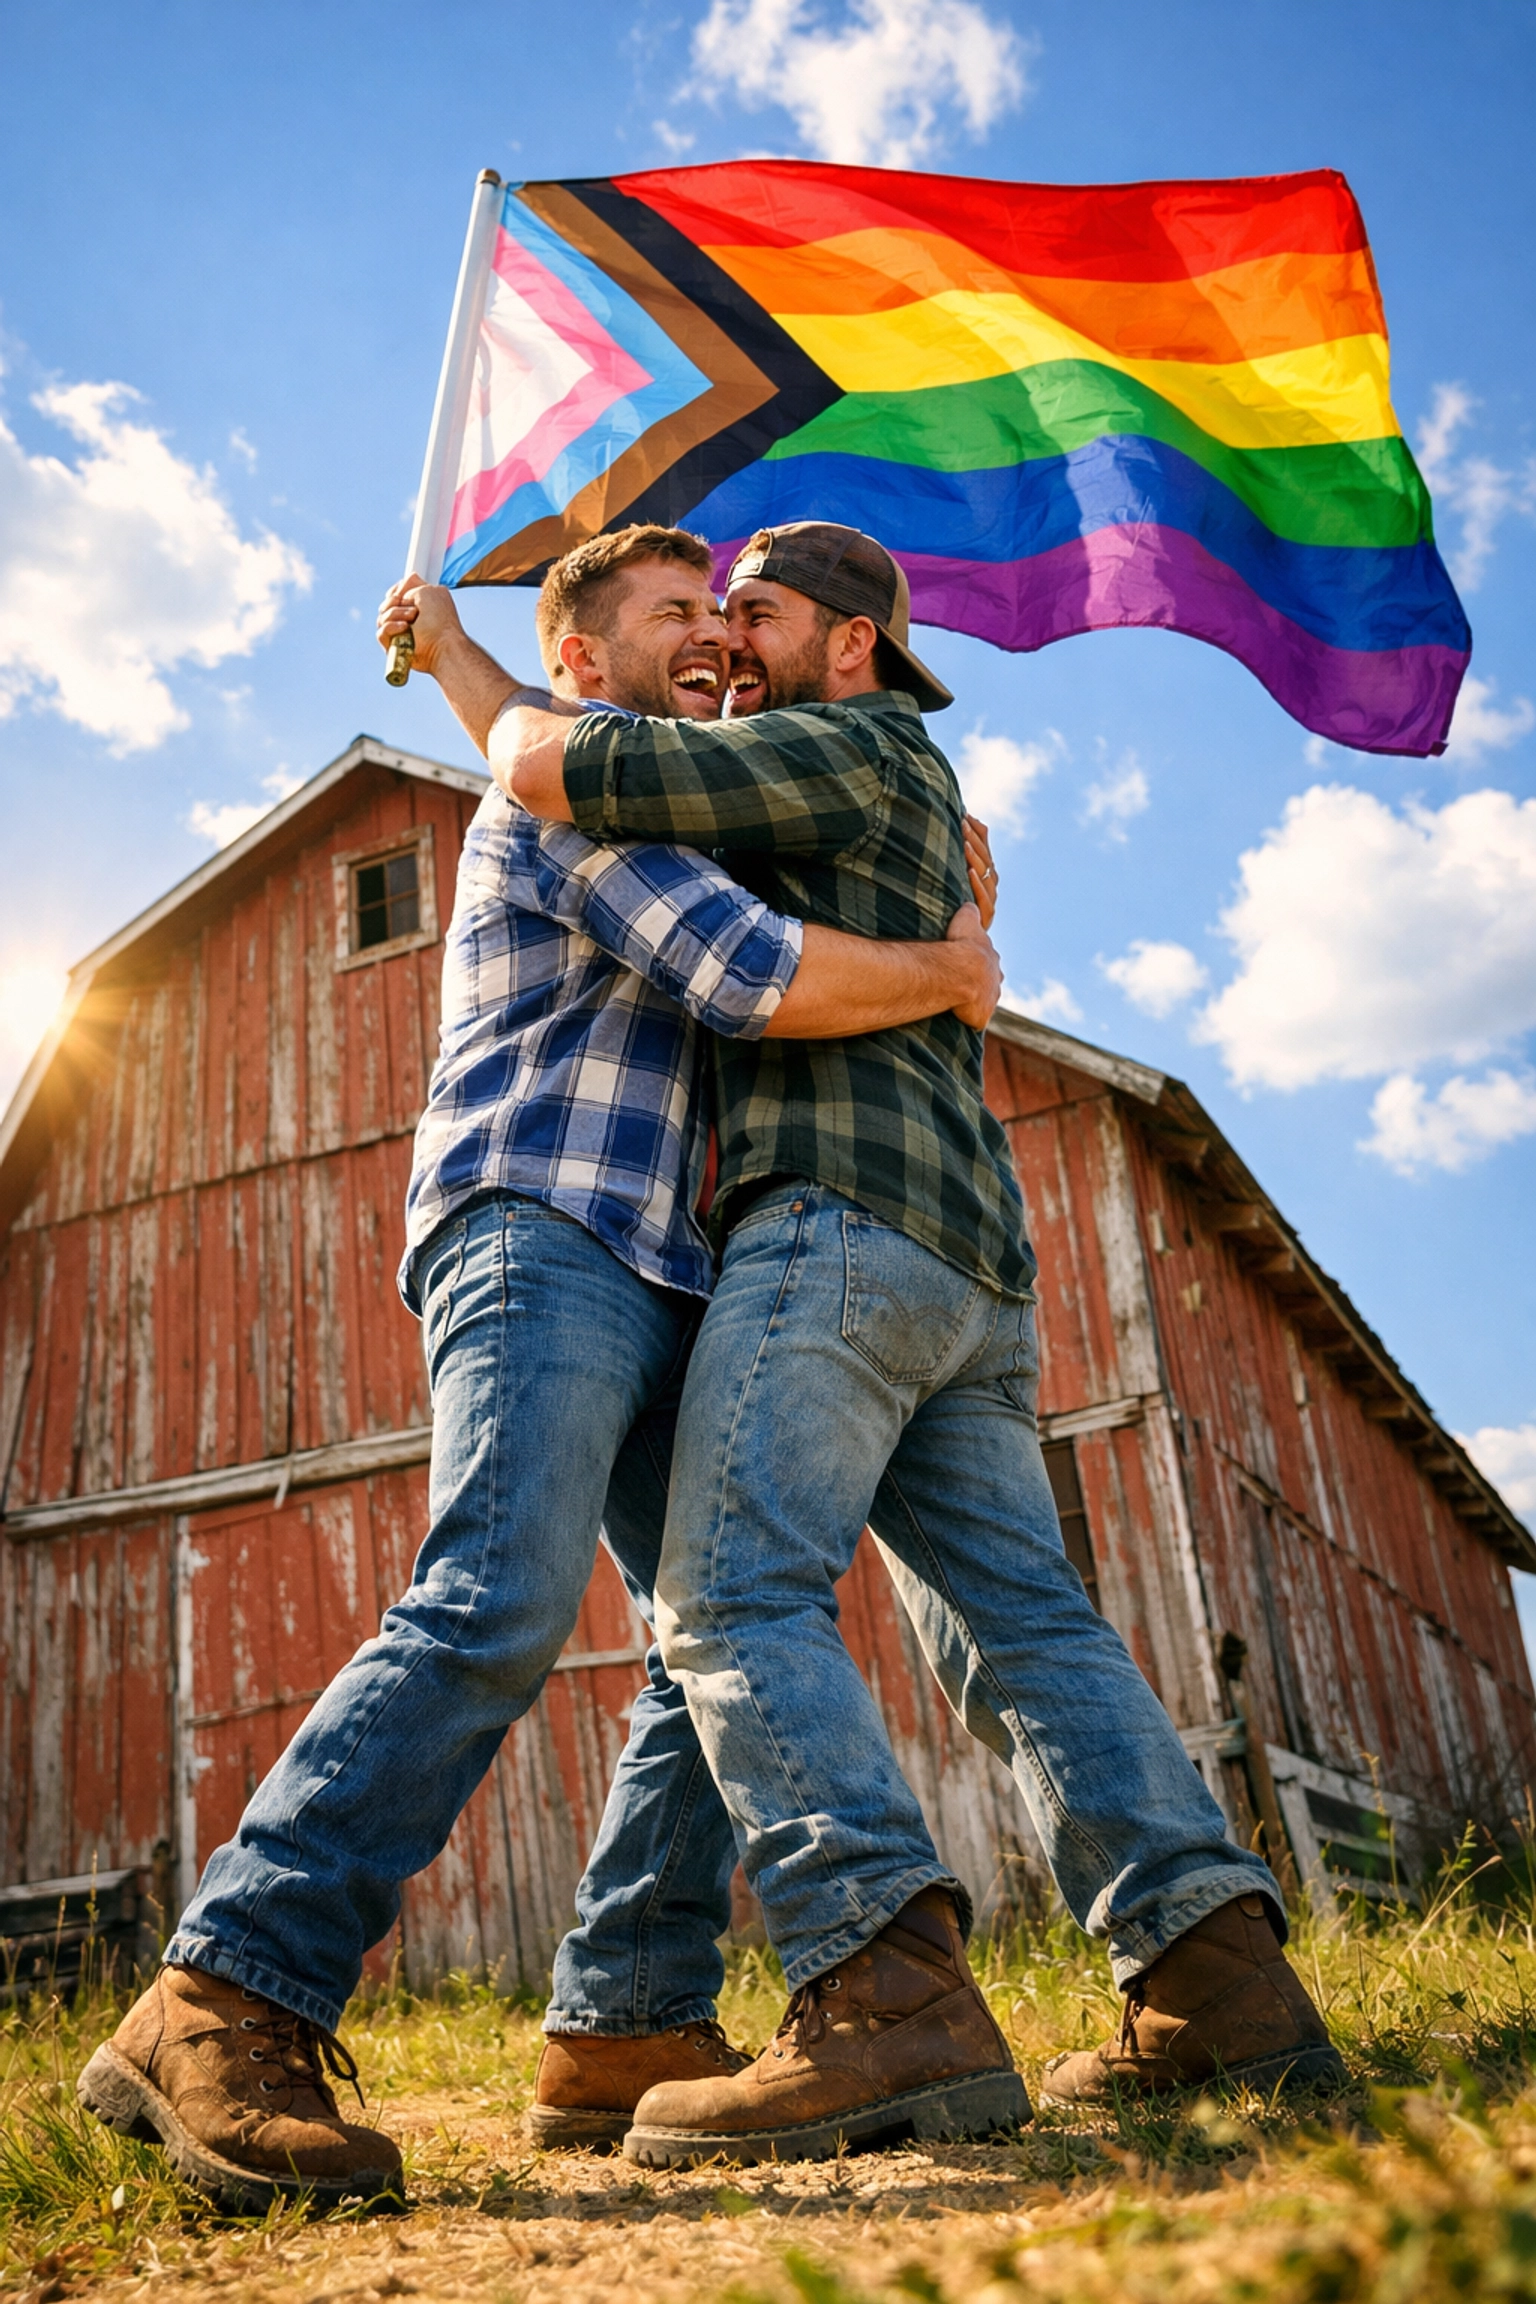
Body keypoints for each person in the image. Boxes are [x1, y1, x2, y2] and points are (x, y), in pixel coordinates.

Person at [78, 525, 1003, 2209]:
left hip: (669, 1268)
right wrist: (946, 970)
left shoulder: (683, 798)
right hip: (544, 1226)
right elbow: (747, 981)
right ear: (581, 663)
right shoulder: (572, 796)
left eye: (733, 623)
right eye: (678, 621)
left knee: (710, 1636)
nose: (717, 644)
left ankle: (625, 2020)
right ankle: (222, 1993)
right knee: (496, 1598)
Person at [496, 519, 1346, 2168]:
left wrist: (473, 674)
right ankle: (1213, 1979)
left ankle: (883, 1996)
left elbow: (588, 776)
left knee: (729, 1587)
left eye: (757, 617)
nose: (733, 645)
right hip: (970, 1267)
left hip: (837, 1228)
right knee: (1018, 1623)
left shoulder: (842, 743)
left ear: (854, 643)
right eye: (711, 618)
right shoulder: (897, 789)